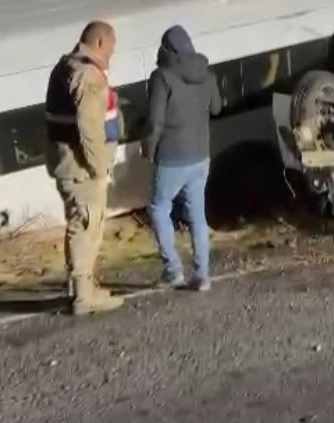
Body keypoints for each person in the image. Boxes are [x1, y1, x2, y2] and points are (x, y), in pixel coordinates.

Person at [45, 20, 125, 315]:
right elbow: (89, 127)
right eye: (112, 47)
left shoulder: (64, 66)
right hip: (82, 167)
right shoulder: (87, 75)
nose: (112, 55)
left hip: (66, 162)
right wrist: (100, 166)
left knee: (78, 224)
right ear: (101, 43)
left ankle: (80, 288)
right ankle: (84, 295)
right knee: (87, 226)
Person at [143, 25, 222, 291]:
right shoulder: (207, 73)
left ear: (166, 50)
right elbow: (218, 107)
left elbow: (154, 122)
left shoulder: (161, 77)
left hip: (171, 156)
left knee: (158, 208)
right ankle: (202, 275)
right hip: (201, 155)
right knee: (197, 215)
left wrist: (148, 150)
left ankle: (173, 270)